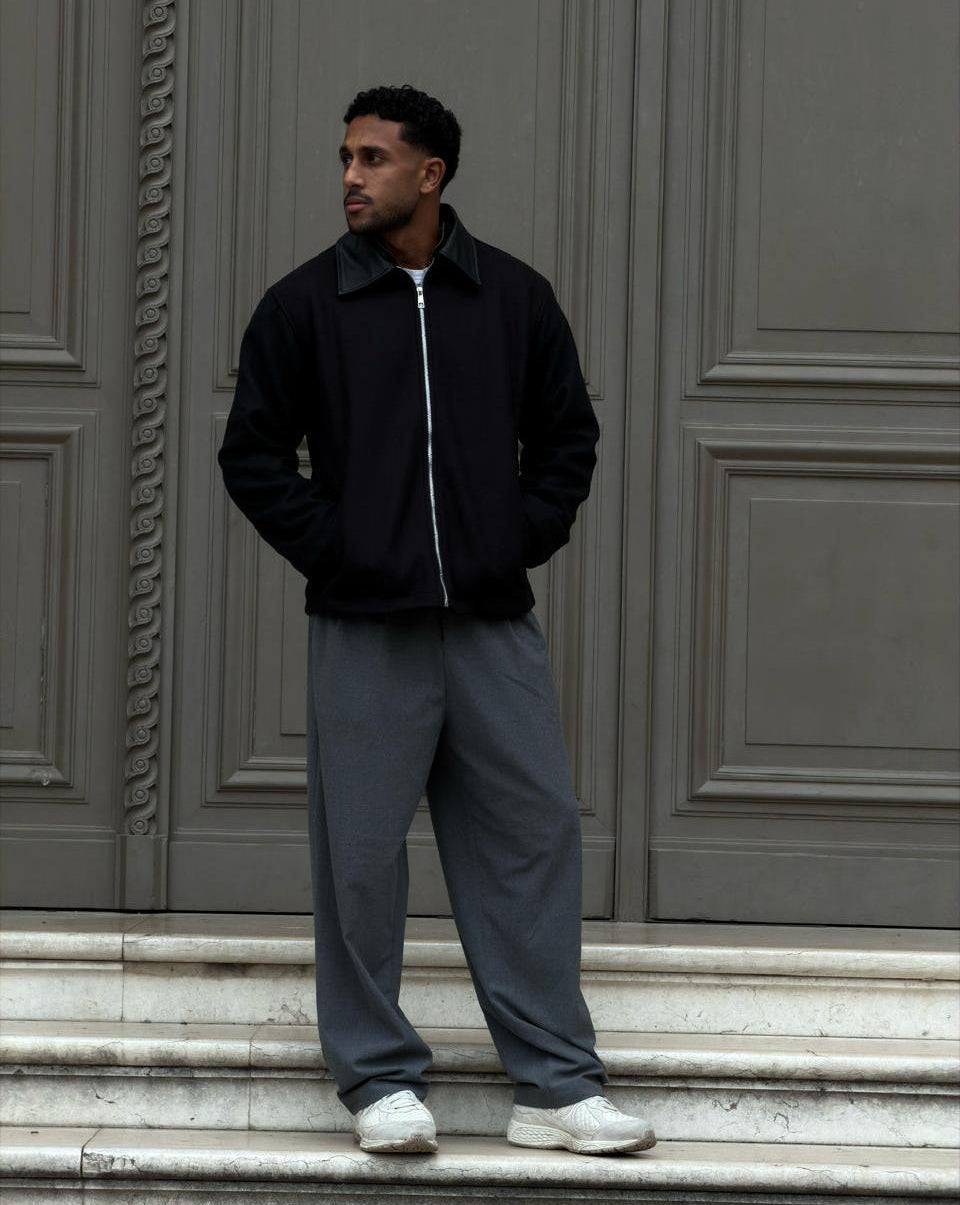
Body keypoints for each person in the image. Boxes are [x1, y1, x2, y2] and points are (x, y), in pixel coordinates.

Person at [218, 83, 656, 1158]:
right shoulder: (303, 305)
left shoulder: (512, 297)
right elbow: (253, 456)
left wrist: (513, 537)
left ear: (431, 172)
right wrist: (343, 550)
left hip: (491, 621)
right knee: (361, 859)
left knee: (531, 840)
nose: (350, 176)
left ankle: (553, 1085)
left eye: (373, 158)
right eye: (346, 157)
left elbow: (568, 436)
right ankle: (377, 1078)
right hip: (366, 626)